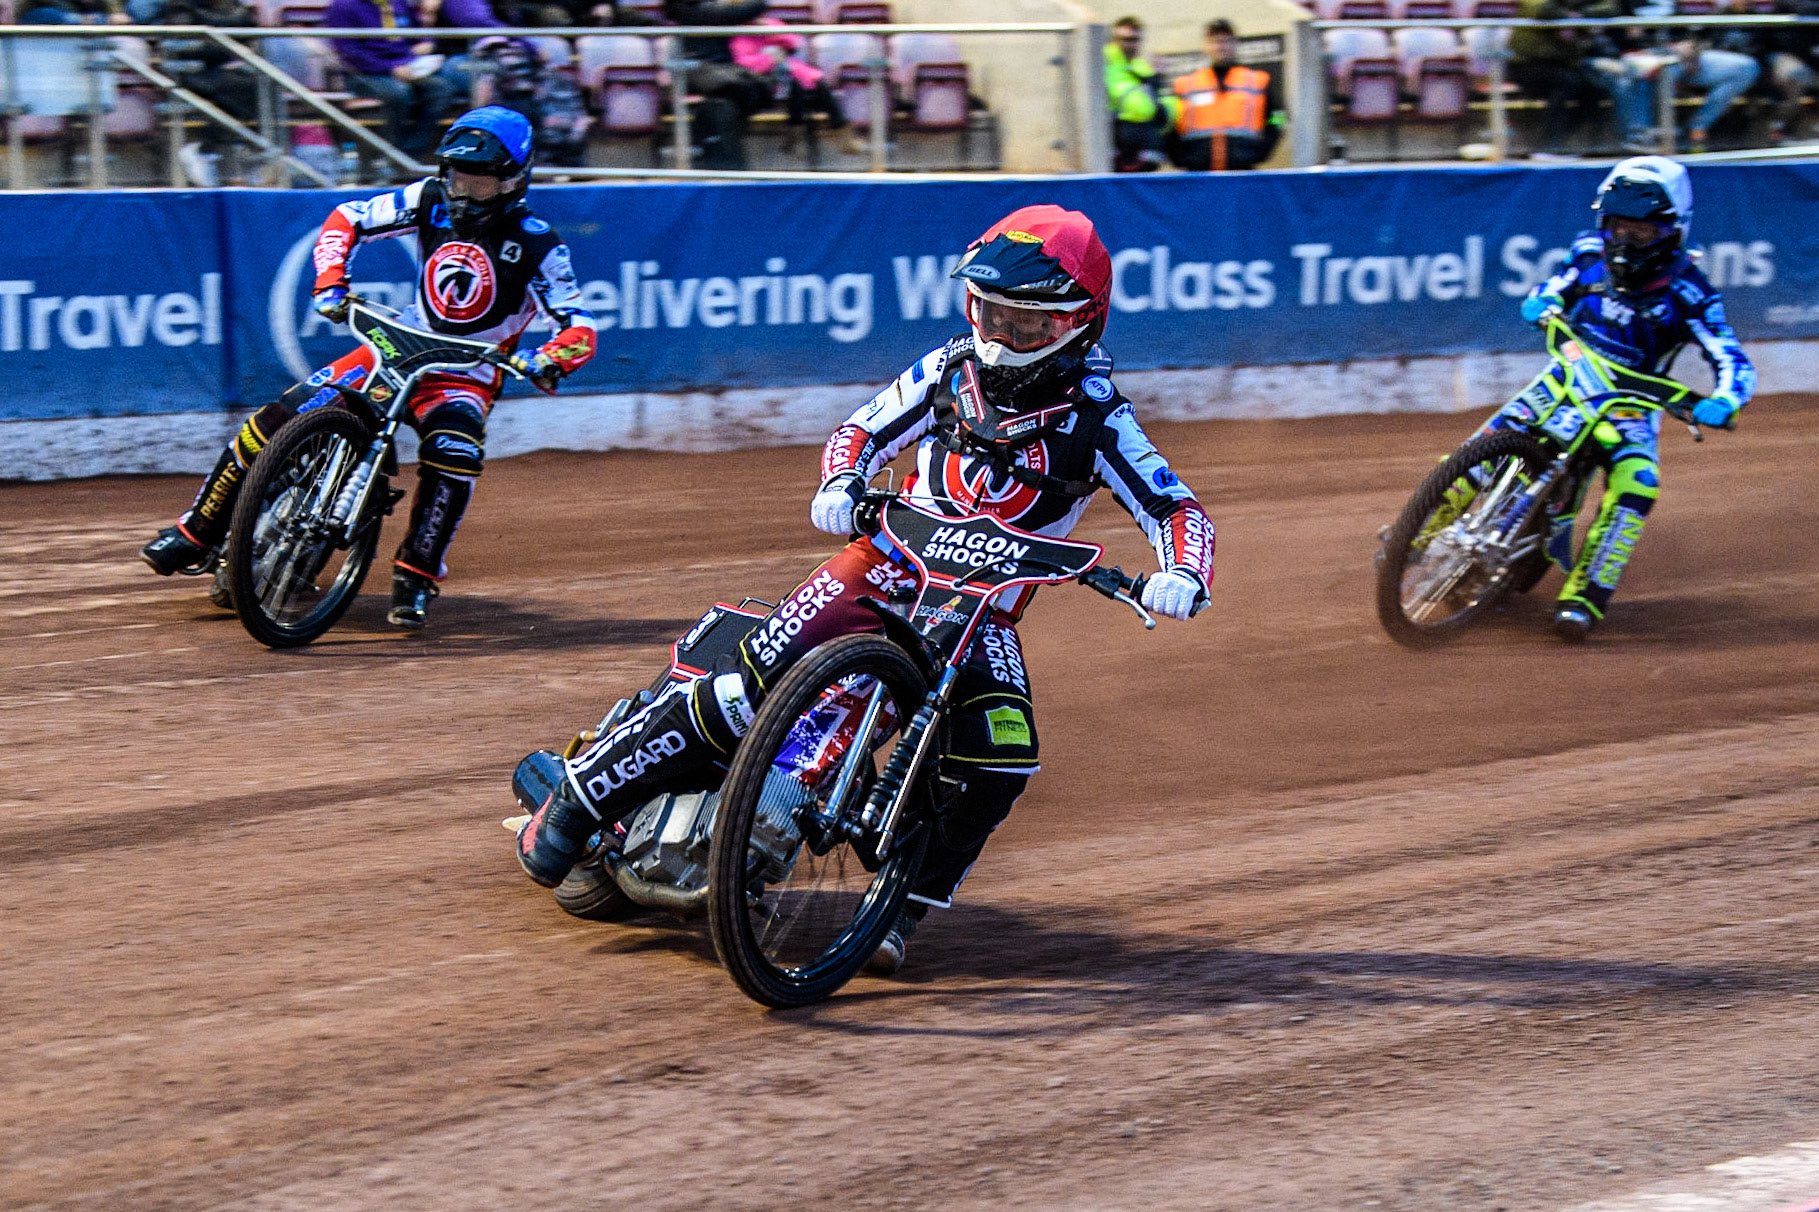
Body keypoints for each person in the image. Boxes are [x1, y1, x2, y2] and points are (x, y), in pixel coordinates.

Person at [513, 204, 1217, 974]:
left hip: (980, 614)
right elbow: (862, 430)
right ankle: (578, 799)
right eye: (991, 314)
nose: (1002, 336)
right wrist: (840, 480)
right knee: (747, 681)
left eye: (1026, 323)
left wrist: (1183, 573)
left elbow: (1174, 508)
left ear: (1079, 322)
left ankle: (898, 909)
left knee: (1001, 759)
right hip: (883, 562)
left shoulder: (1099, 417)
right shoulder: (947, 369)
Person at [140, 107, 599, 630]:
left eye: (480, 182)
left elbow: (579, 324)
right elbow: (348, 218)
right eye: (457, 177)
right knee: (271, 421)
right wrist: (331, 281)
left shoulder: (540, 243)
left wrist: (549, 358)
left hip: (463, 373)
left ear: (514, 179)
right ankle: (196, 530)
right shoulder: (428, 198)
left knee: (454, 453)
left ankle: (416, 573)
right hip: (393, 347)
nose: (464, 193)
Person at [1469, 157, 1751, 642]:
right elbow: (1554, 287)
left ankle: (1584, 597)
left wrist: (1725, 400)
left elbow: (1732, 359)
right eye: (1619, 227)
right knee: (1489, 441)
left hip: (1629, 407)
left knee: (1638, 483)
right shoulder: (1587, 253)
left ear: (1672, 231)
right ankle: (1421, 527)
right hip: (1566, 380)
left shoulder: (1690, 291)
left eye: (1642, 231)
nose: (1627, 240)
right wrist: (1542, 301)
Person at [325, 0, 462, 159]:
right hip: (363, 73)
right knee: (399, 93)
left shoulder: (398, 2)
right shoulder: (343, 6)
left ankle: (411, 153)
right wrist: (390, 68)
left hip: (407, 66)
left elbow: (418, 29)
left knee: (441, 89)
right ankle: (389, 154)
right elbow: (349, 52)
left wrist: (426, 42)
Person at [1167, 20, 1283, 171]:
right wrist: (1179, 157)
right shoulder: (1186, 84)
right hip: (1197, 172)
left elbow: (1278, 118)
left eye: (1226, 41)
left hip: (1242, 170)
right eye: (1214, 41)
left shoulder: (1257, 81)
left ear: (1235, 44)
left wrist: (1261, 152)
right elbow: (1169, 125)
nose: (1220, 47)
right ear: (1205, 46)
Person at [1104, 15, 1178, 172]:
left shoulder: (1142, 68)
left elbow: (1164, 112)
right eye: (1125, 39)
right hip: (1119, 155)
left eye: (1135, 40)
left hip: (1146, 156)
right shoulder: (1105, 66)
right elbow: (1139, 107)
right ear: (1113, 40)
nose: (1131, 45)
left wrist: (1159, 84)